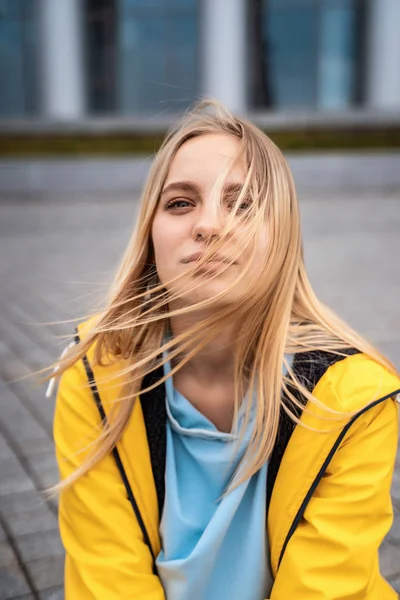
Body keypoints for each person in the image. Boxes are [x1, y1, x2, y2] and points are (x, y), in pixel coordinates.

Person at [51, 100, 400, 600]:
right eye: (179, 203)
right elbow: (110, 581)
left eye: (241, 203)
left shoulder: (354, 400)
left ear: (282, 235)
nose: (209, 225)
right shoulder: (95, 379)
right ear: (151, 237)